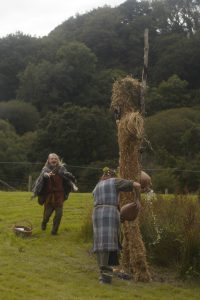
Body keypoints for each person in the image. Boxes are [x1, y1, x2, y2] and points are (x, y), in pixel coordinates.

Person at [92, 168, 141, 284]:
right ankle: (106, 278)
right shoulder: (114, 181)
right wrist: (137, 200)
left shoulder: (97, 186)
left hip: (97, 214)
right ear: (112, 176)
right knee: (109, 244)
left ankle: (104, 274)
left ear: (102, 176)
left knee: (101, 245)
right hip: (109, 213)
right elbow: (137, 185)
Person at [32, 153, 77, 235]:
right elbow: (42, 177)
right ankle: (44, 222)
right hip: (49, 196)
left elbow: (68, 178)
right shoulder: (45, 169)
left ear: (57, 160)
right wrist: (46, 175)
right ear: (48, 160)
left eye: (55, 158)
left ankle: (54, 231)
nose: (53, 160)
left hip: (59, 195)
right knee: (47, 215)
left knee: (59, 214)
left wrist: (70, 178)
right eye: (52, 158)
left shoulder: (62, 169)